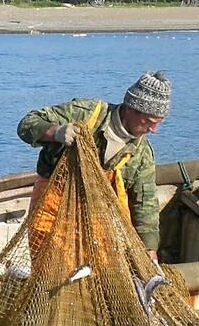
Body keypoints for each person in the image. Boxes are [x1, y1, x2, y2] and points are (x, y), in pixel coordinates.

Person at [16, 71, 171, 260]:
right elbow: (27, 123)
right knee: (49, 260)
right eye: (149, 122)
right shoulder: (86, 114)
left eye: (158, 123)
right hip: (54, 207)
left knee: (97, 266)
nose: (153, 130)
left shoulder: (141, 153)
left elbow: (145, 204)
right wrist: (55, 132)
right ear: (131, 109)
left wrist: (150, 251)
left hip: (97, 218)